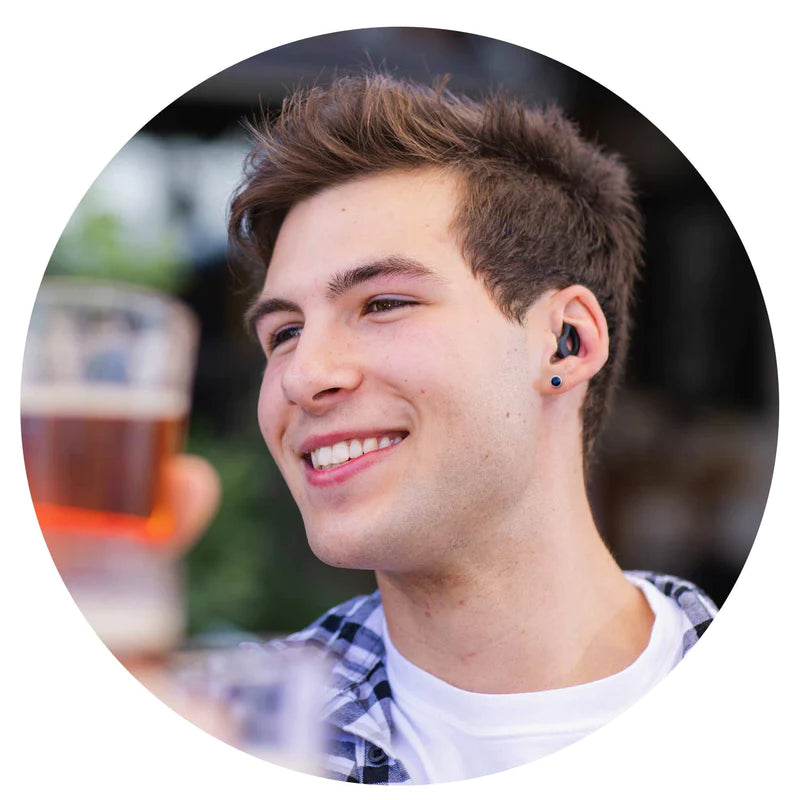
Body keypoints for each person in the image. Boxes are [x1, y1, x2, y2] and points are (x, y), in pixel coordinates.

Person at [175, 72, 718, 784]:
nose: (303, 376)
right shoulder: (228, 731)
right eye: (283, 333)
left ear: (565, 344)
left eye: (383, 303)